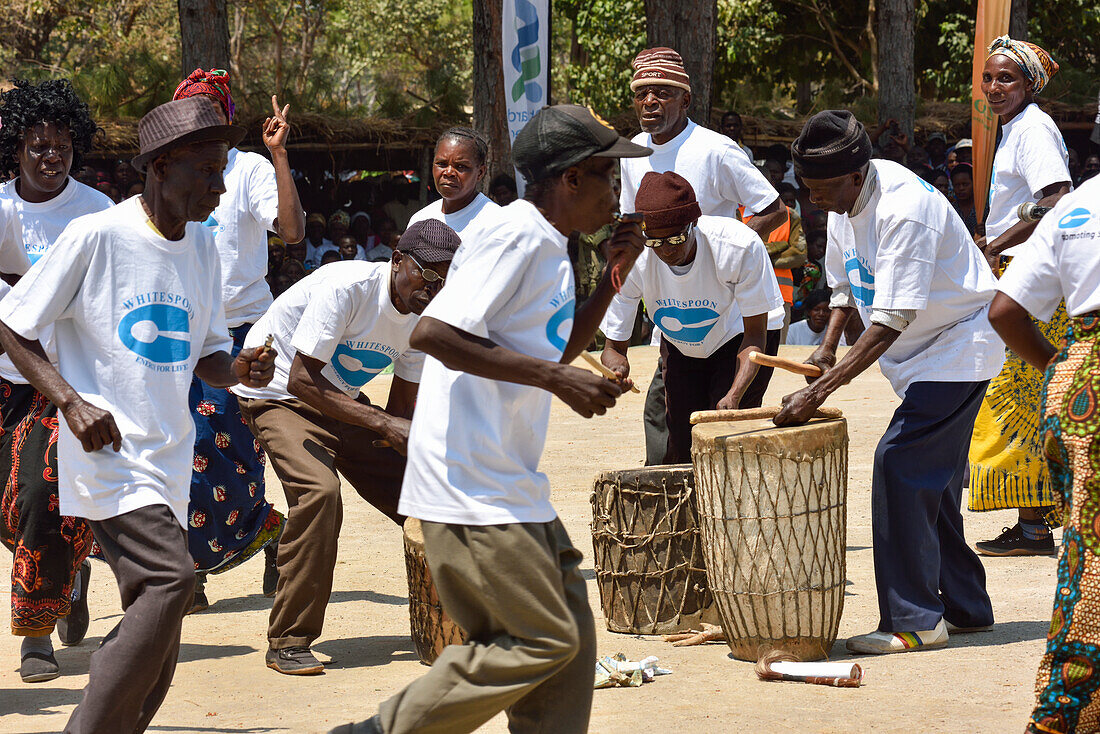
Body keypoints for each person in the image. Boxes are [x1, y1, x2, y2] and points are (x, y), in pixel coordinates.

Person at [330, 103, 649, 734]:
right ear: (571, 179)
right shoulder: (516, 235)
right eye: (608, 176)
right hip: (467, 480)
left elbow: (549, 349)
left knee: (573, 635)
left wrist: (612, 280)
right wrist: (557, 380)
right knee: (541, 640)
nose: (618, 191)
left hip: (506, 479)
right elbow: (433, 333)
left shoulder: (551, 247)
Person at [0, 95, 276, 734]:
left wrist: (238, 371)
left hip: (170, 455)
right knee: (170, 582)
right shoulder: (98, 234)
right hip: (109, 453)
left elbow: (206, 352)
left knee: (162, 625)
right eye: (205, 172)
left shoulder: (205, 250)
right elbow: (14, 327)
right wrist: (70, 402)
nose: (218, 187)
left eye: (221, 172)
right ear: (160, 168)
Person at [774, 110, 1003, 654]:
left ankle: (915, 620)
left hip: (959, 346)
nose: (813, 200)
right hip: (918, 356)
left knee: (898, 463)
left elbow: (890, 319)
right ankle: (967, 608)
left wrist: (817, 392)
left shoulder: (905, 209)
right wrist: (826, 349)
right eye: (807, 188)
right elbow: (845, 287)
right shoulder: (838, 196)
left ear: (857, 176)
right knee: (930, 482)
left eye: (822, 190)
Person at [234, 220, 459, 675]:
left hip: (338, 401)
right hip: (277, 395)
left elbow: (400, 409)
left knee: (430, 494)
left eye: (448, 280)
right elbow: (301, 379)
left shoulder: (426, 316)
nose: (435, 289)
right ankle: (289, 641)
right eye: (429, 276)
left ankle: (465, 620)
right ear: (397, 260)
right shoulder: (347, 286)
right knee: (319, 493)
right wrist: (383, 422)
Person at [173, 68, 305, 611]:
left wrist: (277, 155)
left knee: (237, 450)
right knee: (183, 450)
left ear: (227, 122)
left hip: (241, 331)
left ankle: (267, 530)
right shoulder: (172, 170)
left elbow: (292, 231)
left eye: (211, 115)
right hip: (177, 334)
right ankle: (189, 572)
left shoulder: (247, 169)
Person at [620, 46, 787, 466]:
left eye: (662, 92)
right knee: (667, 424)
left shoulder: (716, 150)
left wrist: (728, 254)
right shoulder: (632, 153)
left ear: (686, 100)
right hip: (675, 309)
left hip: (731, 314)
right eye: (642, 93)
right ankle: (670, 514)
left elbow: (773, 209)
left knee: (722, 432)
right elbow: (631, 228)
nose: (650, 101)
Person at [0, 78, 113, 683]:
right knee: (11, 505)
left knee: (42, 494)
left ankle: (37, 632)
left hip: (64, 383)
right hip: (3, 378)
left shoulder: (95, 212)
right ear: (16, 148)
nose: (51, 158)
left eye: (62, 147)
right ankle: (70, 570)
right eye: (39, 146)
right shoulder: (1, 210)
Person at [985, 174, 1100, 732]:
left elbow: (1005, 311)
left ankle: (1067, 710)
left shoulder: (1077, 204)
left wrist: (1063, 369)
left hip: (1080, 384)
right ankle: (1065, 715)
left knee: (1087, 553)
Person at [969, 36, 1073, 557]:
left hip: (1028, 275)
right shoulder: (1016, 130)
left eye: (1006, 78)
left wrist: (997, 241)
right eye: (988, 77)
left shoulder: (1033, 129)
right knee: (1022, 400)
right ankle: (1034, 525)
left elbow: (1055, 198)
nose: (993, 88)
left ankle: (1035, 529)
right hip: (1018, 271)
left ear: (1031, 84)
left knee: (1017, 399)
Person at [600, 171, 781, 463]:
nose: (667, 251)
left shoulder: (737, 246)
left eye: (675, 238)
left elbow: (756, 336)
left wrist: (735, 395)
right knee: (682, 442)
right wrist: (617, 369)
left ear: (693, 222)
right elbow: (613, 348)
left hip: (740, 337)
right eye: (655, 243)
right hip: (681, 344)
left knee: (726, 441)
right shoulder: (630, 260)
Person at [406, 127, 500, 238]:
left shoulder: (495, 224)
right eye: (442, 164)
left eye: (461, 166)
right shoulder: (420, 220)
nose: (449, 172)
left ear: (480, 173)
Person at [950, 163, 979, 237]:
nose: (961, 188)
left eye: (965, 184)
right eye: (957, 185)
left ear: (974, 183)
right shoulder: (951, 209)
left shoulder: (984, 208)